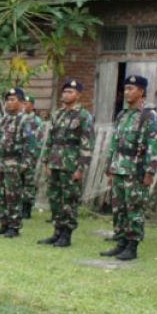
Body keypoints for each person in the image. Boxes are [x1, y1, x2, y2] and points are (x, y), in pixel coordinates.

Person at [101, 75, 157, 261]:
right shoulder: (122, 115)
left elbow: (154, 144)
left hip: (136, 170)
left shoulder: (149, 116)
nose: (127, 92)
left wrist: (150, 171)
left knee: (134, 208)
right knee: (119, 208)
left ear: (141, 92)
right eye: (126, 88)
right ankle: (121, 242)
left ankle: (132, 246)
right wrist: (109, 165)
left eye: (131, 88)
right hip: (119, 167)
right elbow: (115, 142)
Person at [38, 80, 94, 248]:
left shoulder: (84, 116)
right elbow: (51, 139)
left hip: (71, 164)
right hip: (55, 162)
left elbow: (87, 144)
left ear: (78, 95)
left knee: (69, 200)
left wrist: (81, 167)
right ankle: (56, 231)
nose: (66, 95)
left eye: (70, 92)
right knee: (55, 199)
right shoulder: (58, 114)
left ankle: (66, 234)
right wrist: (46, 161)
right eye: (65, 92)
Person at [0, 88, 32, 238]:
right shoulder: (5, 119)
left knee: (12, 195)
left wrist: (24, 165)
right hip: (1, 161)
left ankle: (14, 225)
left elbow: (29, 143)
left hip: (14, 161)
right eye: (7, 99)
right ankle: (4, 222)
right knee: (0, 193)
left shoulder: (24, 120)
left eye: (13, 99)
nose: (9, 102)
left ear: (21, 102)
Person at [20, 94, 44, 218]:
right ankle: (19, 206)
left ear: (32, 105)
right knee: (19, 182)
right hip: (19, 155)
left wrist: (29, 159)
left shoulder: (35, 121)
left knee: (29, 183)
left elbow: (36, 142)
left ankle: (27, 209)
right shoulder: (20, 118)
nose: (25, 106)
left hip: (30, 156)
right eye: (23, 103)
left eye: (27, 104)